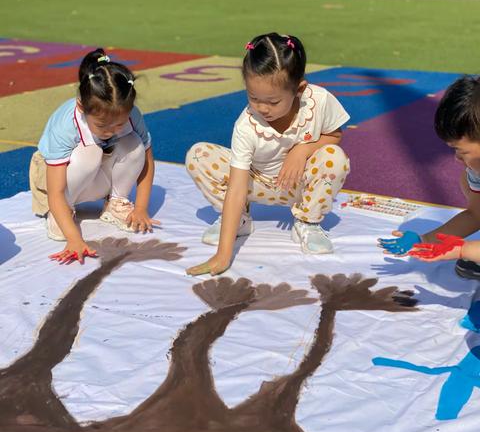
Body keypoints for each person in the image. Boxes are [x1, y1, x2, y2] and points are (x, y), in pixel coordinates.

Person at [185, 33, 350, 276]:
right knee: (198, 155)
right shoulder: (246, 126)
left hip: (298, 184)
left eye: (273, 101)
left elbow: (335, 135)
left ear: (299, 89)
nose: (263, 108)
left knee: (334, 157)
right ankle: (239, 220)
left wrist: (301, 150)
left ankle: (307, 221)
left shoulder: (319, 101)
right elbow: (237, 187)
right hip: (257, 183)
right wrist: (223, 255)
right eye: (254, 98)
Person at [29, 48, 158, 264]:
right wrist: (74, 239)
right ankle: (60, 215)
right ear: (81, 106)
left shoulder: (132, 115)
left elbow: (147, 160)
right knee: (89, 152)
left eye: (119, 123)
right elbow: (55, 190)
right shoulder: (67, 124)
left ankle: (116, 202)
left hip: (93, 174)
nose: (112, 130)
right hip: (56, 186)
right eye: (102, 125)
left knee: (134, 143)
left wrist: (141, 208)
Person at [379, 75, 480, 279]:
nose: (457, 159)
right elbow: (476, 215)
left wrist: (464, 250)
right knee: (467, 181)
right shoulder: (475, 171)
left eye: (461, 151)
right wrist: (425, 239)